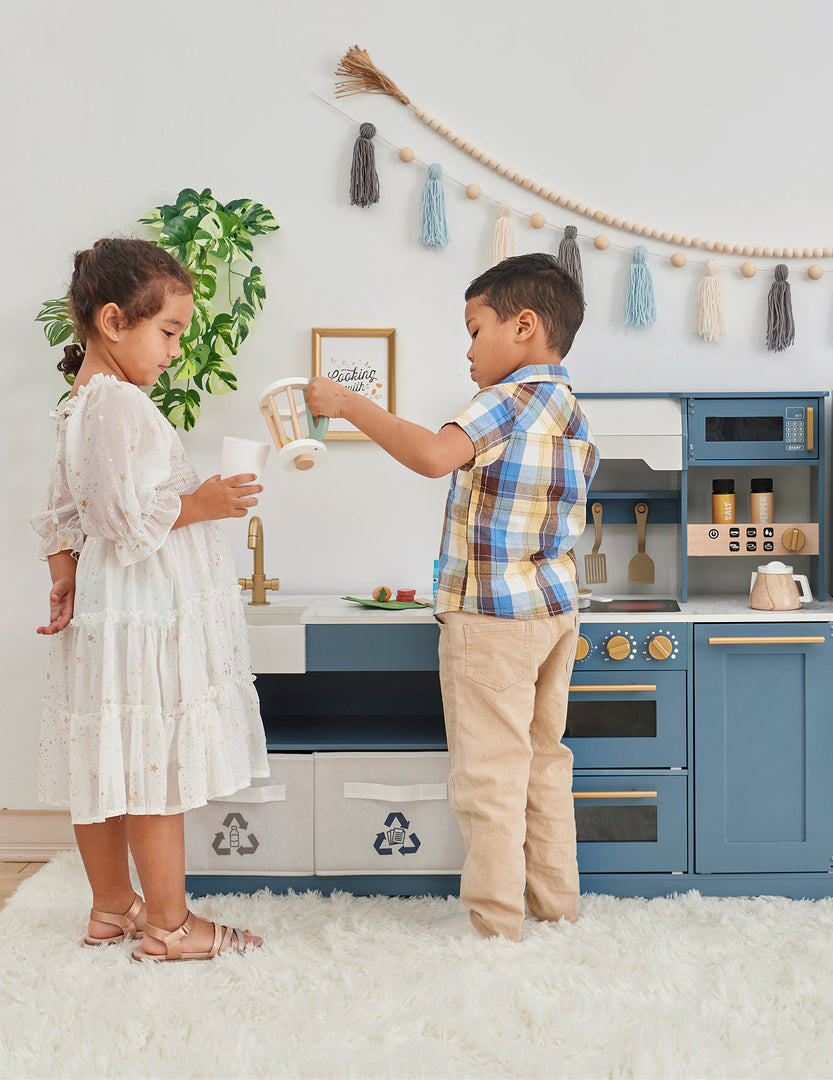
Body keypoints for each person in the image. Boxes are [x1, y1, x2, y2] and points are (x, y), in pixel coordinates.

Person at [306, 253, 598, 941]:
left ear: (523, 326)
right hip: (555, 610)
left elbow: (434, 456)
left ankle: (497, 927)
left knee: (490, 776)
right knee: (544, 763)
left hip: (493, 614)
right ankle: (556, 909)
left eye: (475, 330)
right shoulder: (571, 408)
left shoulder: (503, 401)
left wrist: (349, 404)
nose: (467, 350)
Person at [32, 237, 268, 961]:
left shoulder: (82, 403)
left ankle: (112, 907)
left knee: (106, 754)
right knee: (152, 760)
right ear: (112, 321)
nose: (173, 351)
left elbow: (62, 509)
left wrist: (65, 576)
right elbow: (119, 516)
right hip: (141, 606)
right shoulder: (119, 405)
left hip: (112, 602)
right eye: (166, 332)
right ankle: (170, 926)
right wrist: (204, 502)